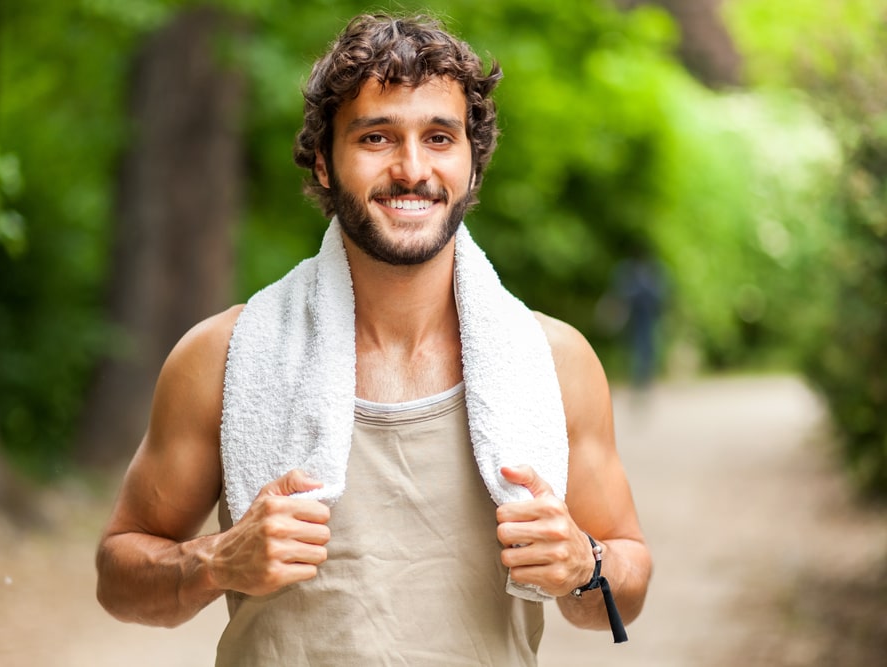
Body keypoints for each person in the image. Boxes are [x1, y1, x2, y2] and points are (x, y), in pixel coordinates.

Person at [96, 13, 652, 665]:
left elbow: (629, 576)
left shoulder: (555, 362)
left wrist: (584, 564)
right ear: (326, 164)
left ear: (472, 165)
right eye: (377, 137)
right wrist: (214, 559)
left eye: (439, 137)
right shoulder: (222, 356)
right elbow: (119, 576)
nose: (411, 168)